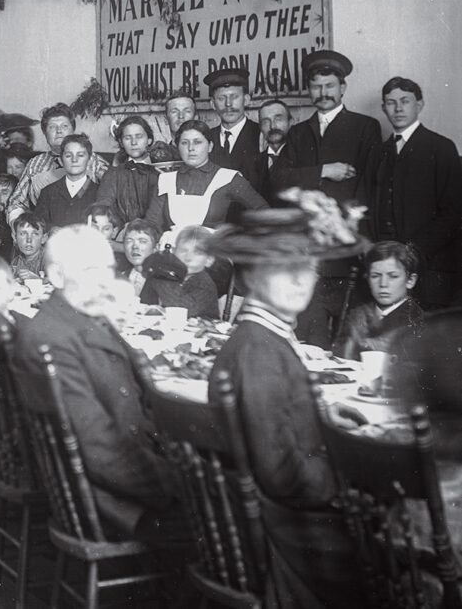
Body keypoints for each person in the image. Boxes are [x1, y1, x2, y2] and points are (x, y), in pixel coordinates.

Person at [208, 205, 365, 608]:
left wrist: (319, 418)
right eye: (284, 267)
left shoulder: (262, 339)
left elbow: (274, 423)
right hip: (289, 536)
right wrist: (349, 485)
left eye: (308, 266)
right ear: (252, 276)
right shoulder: (260, 351)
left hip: (273, 522)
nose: (300, 278)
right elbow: (283, 473)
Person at [12, 225, 186, 548]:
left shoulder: (84, 318)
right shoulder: (51, 338)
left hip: (122, 479)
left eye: (107, 270)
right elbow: (99, 450)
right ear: (56, 275)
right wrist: (181, 483)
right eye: (90, 271)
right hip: (108, 502)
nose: (104, 282)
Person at [271, 50, 382, 347]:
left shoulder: (364, 128)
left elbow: (370, 186)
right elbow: (279, 180)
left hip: (346, 248)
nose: (323, 93)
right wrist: (325, 170)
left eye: (330, 86)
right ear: (309, 90)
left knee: (349, 332)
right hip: (308, 250)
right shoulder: (298, 133)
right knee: (309, 331)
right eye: (317, 87)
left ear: (342, 88)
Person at [371, 77, 462, 308]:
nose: (398, 108)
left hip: (431, 267)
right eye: (391, 102)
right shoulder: (379, 152)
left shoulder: (441, 147)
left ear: (419, 105)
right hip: (389, 270)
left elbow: (453, 212)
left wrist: (412, 251)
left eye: (405, 101)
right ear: (383, 108)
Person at [145, 119, 267, 243]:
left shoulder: (228, 178)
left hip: (211, 255)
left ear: (210, 146)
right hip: (173, 254)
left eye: (197, 142)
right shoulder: (166, 180)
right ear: (177, 147)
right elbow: (152, 224)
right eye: (184, 143)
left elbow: (263, 210)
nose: (191, 148)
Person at [6, 103, 109, 225]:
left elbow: (112, 193)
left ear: (72, 129)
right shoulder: (35, 164)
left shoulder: (92, 160)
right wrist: (21, 227)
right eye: (52, 127)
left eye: (64, 126)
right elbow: (16, 202)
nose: (59, 131)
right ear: (45, 133)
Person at [336, 241, 424, 360]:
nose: (383, 284)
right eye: (375, 276)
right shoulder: (357, 315)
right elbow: (338, 355)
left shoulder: (417, 321)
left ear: (410, 281)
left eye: (393, 276)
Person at [139, 225, 219, 320]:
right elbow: (144, 304)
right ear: (173, 252)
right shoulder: (160, 274)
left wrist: (161, 279)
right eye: (183, 251)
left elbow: (182, 309)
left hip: (202, 330)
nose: (188, 258)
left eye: (197, 252)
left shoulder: (204, 283)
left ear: (209, 260)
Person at [96, 115, 159, 227]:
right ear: (121, 143)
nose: (134, 142)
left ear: (149, 140)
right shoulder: (113, 174)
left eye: (139, 136)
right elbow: (104, 208)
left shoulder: (162, 170)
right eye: (127, 138)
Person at [206, 68, 261, 187]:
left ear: (246, 100)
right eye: (221, 98)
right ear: (212, 104)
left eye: (234, 97)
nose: (228, 104)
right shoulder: (206, 138)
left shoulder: (261, 134)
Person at [32, 133, 101, 229]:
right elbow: (38, 224)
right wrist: (50, 230)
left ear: (89, 160)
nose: (74, 160)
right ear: (61, 161)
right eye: (68, 156)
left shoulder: (100, 193)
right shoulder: (47, 192)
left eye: (80, 155)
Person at [256, 98, 292, 201]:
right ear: (260, 127)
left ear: (290, 122)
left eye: (278, 119)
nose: (272, 126)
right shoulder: (251, 164)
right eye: (266, 121)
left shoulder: (303, 159)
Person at [120, 218, 160, 298]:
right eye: (129, 241)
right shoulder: (120, 279)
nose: (135, 246)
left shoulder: (163, 282)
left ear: (156, 248)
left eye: (142, 241)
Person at [10, 212, 48, 280]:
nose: (29, 240)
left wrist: (37, 280)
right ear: (15, 238)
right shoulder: (15, 262)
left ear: (43, 238)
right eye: (23, 234)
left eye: (35, 234)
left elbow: (59, 282)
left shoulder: (48, 259)